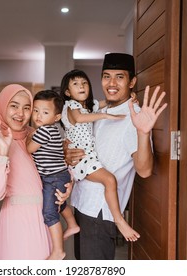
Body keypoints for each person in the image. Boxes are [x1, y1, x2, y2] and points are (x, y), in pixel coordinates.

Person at [66, 53, 168, 260]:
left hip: (100, 211)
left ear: (132, 82)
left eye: (119, 77)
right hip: (82, 203)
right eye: (106, 76)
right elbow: (79, 138)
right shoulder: (100, 110)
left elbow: (144, 170)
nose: (111, 83)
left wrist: (143, 132)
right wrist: (67, 148)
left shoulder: (134, 117)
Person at [0, 84, 73, 260]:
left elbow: (57, 165)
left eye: (27, 107)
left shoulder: (36, 134)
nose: (20, 113)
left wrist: (68, 186)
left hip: (48, 218)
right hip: (18, 223)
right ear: (2, 106)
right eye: (14, 105)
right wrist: (3, 152)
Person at [60, 69, 140, 243]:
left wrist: (131, 100)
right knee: (110, 180)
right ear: (67, 92)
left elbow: (109, 101)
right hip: (82, 159)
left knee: (108, 182)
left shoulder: (90, 106)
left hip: (87, 158)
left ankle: (113, 219)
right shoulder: (72, 106)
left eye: (84, 83)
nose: (81, 86)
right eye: (75, 84)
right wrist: (105, 115)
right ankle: (119, 220)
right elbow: (80, 119)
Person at [26, 90, 80, 260]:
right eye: (36, 110)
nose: (38, 116)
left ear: (56, 117)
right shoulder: (55, 130)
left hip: (53, 177)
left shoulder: (43, 131)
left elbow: (29, 149)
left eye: (45, 112)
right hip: (60, 175)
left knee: (49, 213)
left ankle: (58, 251)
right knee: (59, 204)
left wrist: (29, 136)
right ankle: (72, 224)